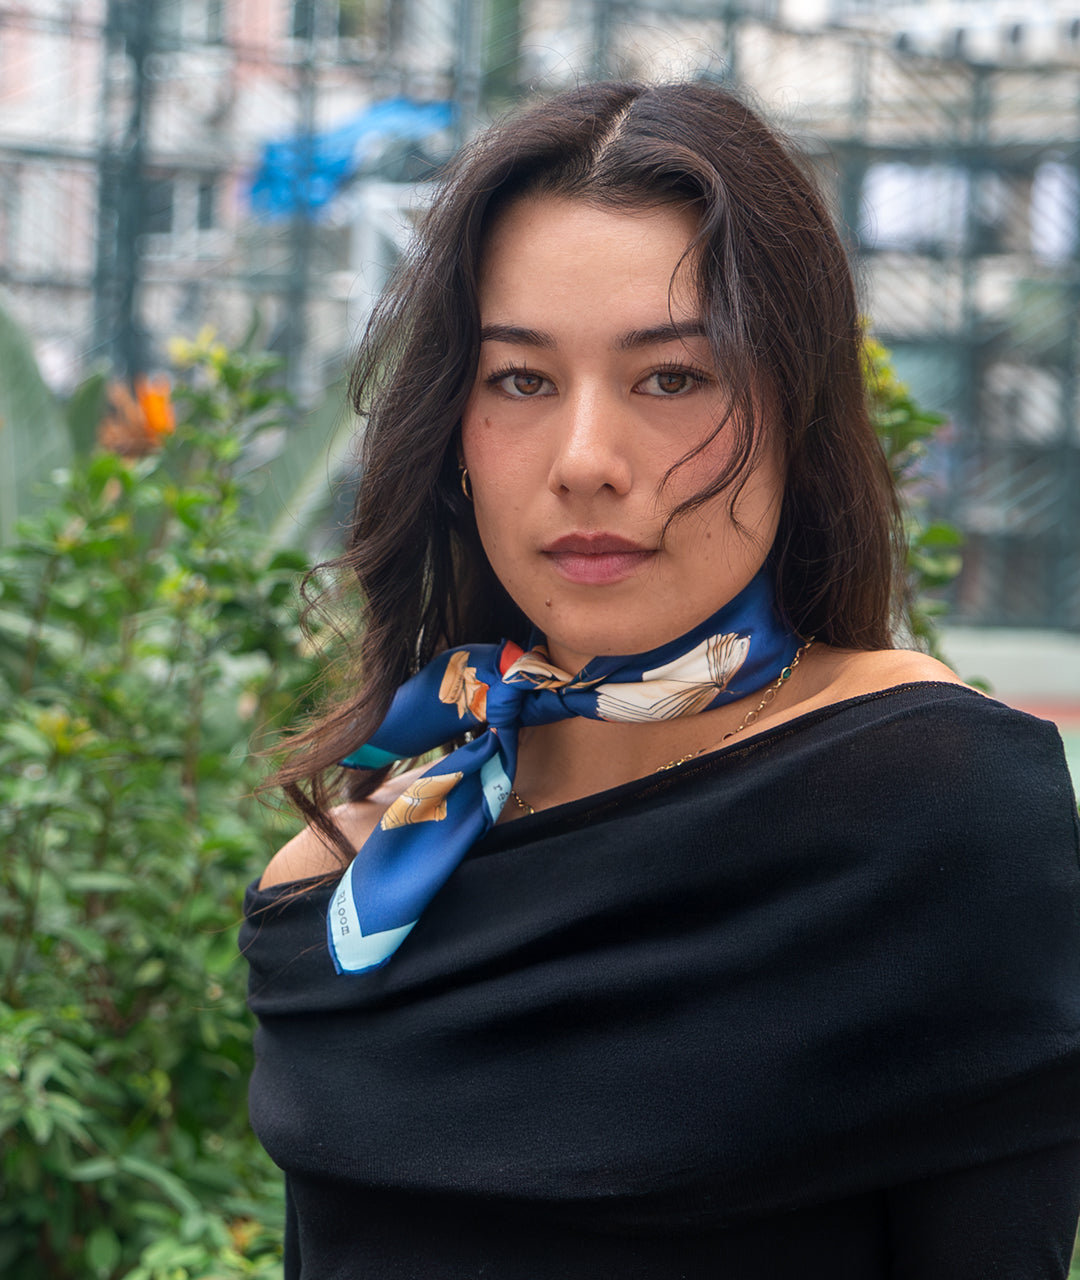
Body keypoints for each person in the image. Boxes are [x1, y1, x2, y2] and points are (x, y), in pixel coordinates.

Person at [240, 80, 1080, 1278]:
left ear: (796, 408)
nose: (587, 461)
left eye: (673, 377)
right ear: (453, 428)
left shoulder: (929, 798)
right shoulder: (343, 878)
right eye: (521, 379)